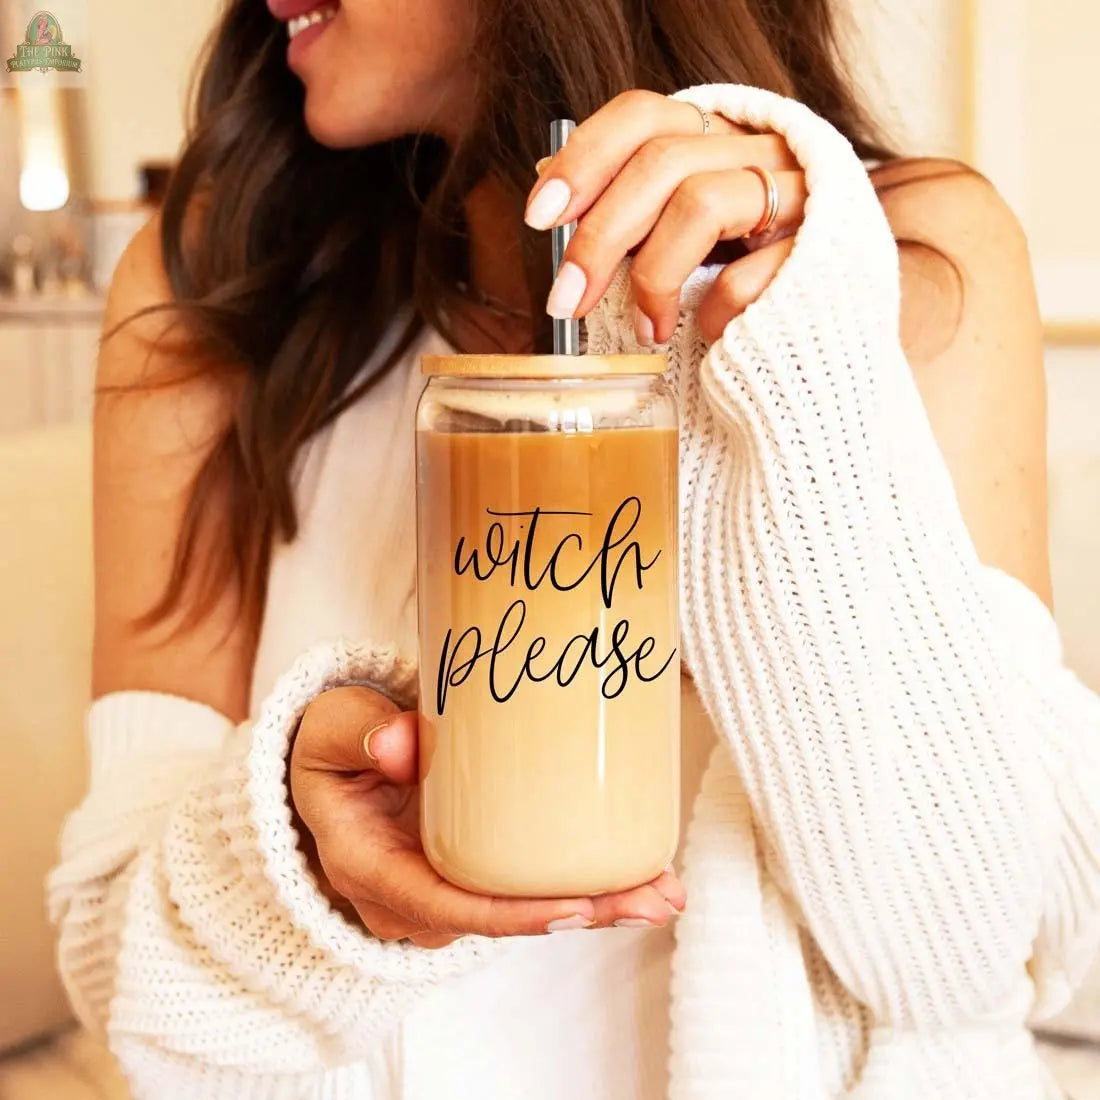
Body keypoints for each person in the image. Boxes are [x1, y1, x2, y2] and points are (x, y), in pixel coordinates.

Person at [48, 0, 1100, 1097]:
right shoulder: (217, 291)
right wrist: (297, 872)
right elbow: (105, 958)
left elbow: (962, 956)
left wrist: (798, 362)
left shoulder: (897, 258)